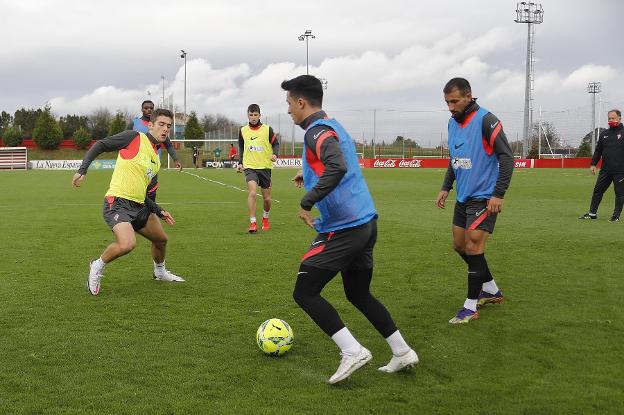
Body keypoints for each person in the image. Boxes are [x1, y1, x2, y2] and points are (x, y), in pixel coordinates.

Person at [282, 75, 418, 385]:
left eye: (290, 104)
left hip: (345, 228)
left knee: (304, 291)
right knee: (358, 293)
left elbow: (338, 165)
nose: (289, 110)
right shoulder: (334, 124)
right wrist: (310, 178)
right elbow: (335, 164)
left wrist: (307, 200)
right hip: (365, 223)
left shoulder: (316, 131)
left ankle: (352, 350)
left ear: (301, 102)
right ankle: (402, 351)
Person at [72, 108, 185, 296]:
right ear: (150, 125)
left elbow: (144, 193)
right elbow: (100, 144)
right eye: (161, 124)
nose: (165, 129)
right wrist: (83, 170)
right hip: (117, 203)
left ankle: (160, 272)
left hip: (139, 205)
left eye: (169, 126)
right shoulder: (134, 137)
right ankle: (97, 265)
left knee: (161, 240)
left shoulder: (156, 161)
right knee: (127, 244)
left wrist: (158, 210)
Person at [435, 77, 514, 324]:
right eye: (447, 102)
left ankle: (470, 307)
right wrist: (446, 186)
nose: (450, 106)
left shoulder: (487, 121)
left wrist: (498, 194)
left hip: (484, 197)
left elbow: (507, 157)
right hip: (464, 197)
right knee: (459, 246)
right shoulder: (452, 123)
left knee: (473, 246)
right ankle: (491, 289)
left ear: (469, 96)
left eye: (455, 101)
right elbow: (455, 158)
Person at [127, 100, 182, 201]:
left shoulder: (159, 125)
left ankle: (151, 215)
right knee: (134, 195)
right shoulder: (134, 124)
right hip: (136, 165)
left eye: (151, 108)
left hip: (152, 166)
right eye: (146, 108)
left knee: (151, 195)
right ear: (142, 109)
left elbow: (168, 144)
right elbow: (125, 142)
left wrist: (176, 159)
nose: (149, 110)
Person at [236, 104, 279, 233]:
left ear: (260, 115)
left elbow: (275, 143)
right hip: (250, 166)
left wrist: (275, 154)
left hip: (265, 167)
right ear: (247, 115)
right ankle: (253, 223)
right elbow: (241, 148)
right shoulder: (243, 130)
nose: (253, 117)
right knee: (253, 193)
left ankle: (265, 218)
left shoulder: (267, 129)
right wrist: (240, 163)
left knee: (266, 198)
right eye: (251, 115)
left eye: (255, 115)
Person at [579, 109, 624, 222]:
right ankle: (592, 213)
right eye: (609, 118)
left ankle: (616, 216)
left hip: (620, 170)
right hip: (605, 170)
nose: (611, 120)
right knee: (597, 191)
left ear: (619, 118)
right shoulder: (604, 134)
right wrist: (593, 164)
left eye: (613, 118)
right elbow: (598, 150)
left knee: (619, 193)